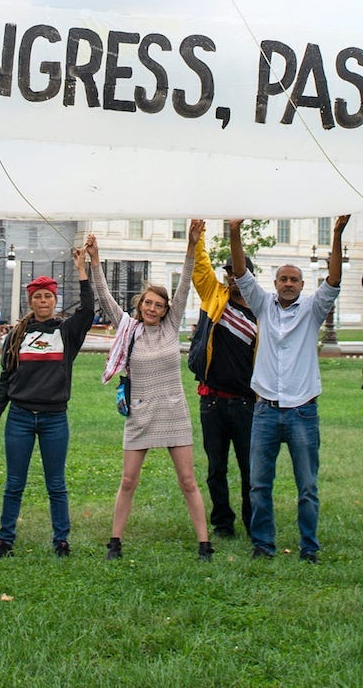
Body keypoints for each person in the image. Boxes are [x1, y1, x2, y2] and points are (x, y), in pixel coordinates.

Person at [93, 226, 208, 558]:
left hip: (174, 413)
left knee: (188, 481)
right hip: (141, 413)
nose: (153, 309)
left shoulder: (172, 327)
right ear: (140, 305)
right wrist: (95, 260)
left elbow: (185, 282)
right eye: (148, 303)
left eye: (159, 305)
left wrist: (190, 245)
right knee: (128, 481)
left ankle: (204, 542)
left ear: (166, 309)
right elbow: (105, 297)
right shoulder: (129, 329)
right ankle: (115, 542)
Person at [234, 213, 343, 562]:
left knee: (307, 487)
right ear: (275, 282)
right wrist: (234, 231)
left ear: (301, 284)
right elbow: (240, 273)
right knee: (259, 484)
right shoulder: (263, 305)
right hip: (265, 409)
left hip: (302, 411)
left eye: (294, 279)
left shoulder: (312, 310)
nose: (288, 283)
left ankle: (309, 547)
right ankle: (263, 545)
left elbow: (335, 280)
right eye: (283, 278)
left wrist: (337, 235)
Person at [0, 240, 95, 557]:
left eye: (48, 296)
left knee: (56, 484)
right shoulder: (16, 335)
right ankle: (5, 540)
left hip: (53, 419)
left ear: (55, 299)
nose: (43, 301)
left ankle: (61, 540)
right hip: (20, 417)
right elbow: (5, 377)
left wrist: (82, 271)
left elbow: (87, 310)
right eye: (38, 297)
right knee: (14, 483)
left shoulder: (67, 332)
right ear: (30, 300)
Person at [189, 224, 258, 541]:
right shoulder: (213, 295)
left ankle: (252, 519)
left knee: (249, 469)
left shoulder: (262, 311)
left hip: (248, 404)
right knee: (216, 468)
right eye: (228, 272)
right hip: (212, 402)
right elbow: (200, 265)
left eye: (238, 272)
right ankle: (222, 523)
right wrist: (197, 236)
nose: (232, 277)